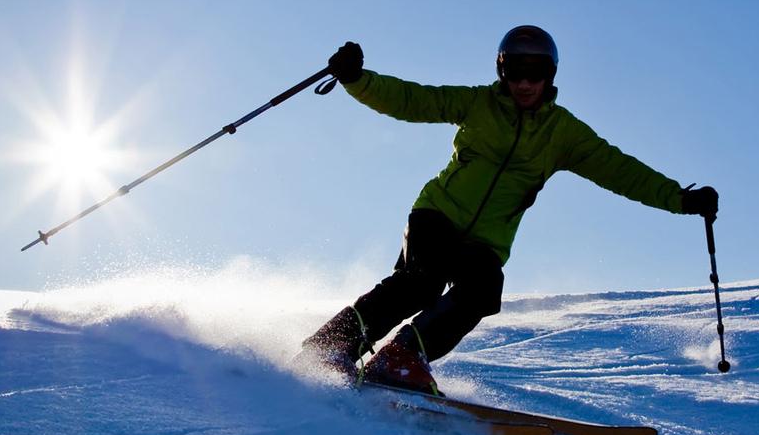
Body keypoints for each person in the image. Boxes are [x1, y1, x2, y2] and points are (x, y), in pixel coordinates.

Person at [300, 26, 718, 395]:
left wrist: (681, 199)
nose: (524, 83)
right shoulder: (478, 104)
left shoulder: (563, 134)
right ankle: (331, 345)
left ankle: (402, 357)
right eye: (514, 71)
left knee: (483, 291)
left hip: (486, 241)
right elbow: (412, 100)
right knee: (419, 284)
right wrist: (357, 80)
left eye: (534, 73)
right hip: (438, 214)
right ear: (502, 72)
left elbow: (620, 170)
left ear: (549, 76)